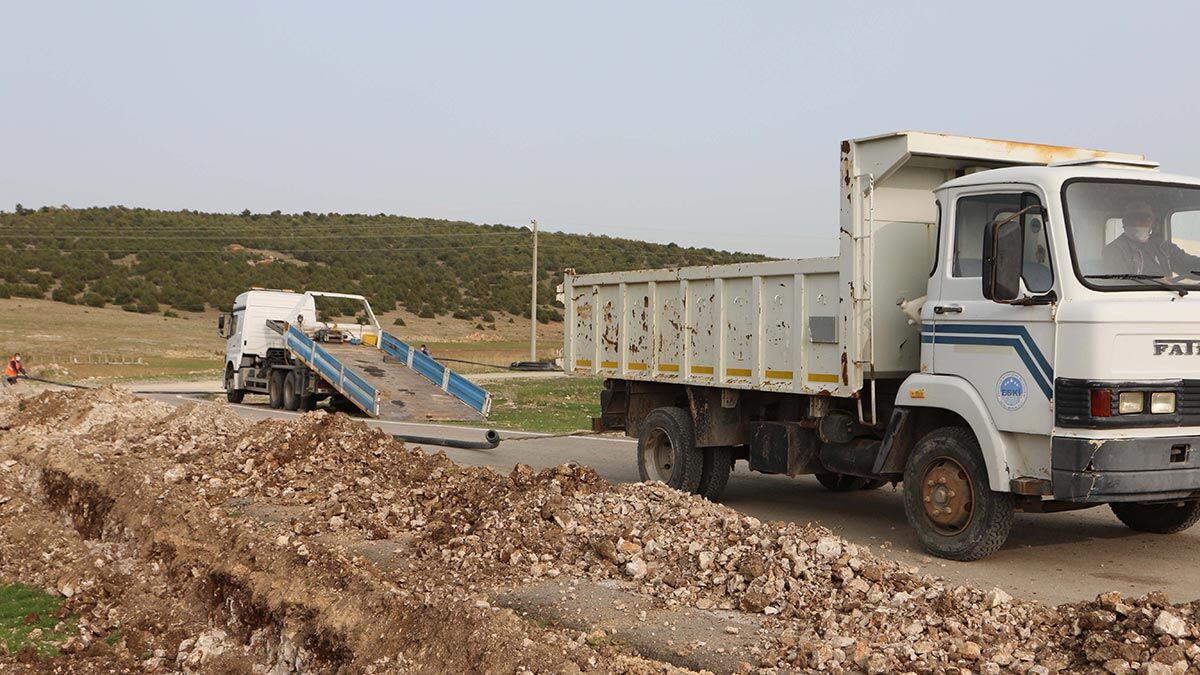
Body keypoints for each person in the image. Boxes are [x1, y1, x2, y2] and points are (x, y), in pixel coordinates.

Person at [1102, 201, 1200, 276]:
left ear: (1152, 223)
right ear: (1124, 222)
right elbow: (1119, 282)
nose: (1138, 222)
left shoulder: (1163, 247)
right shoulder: (1114, 250)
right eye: (1133, 217)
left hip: (1169, 298)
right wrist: (1157, 282)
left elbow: (1187, 263)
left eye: (1144, 218)